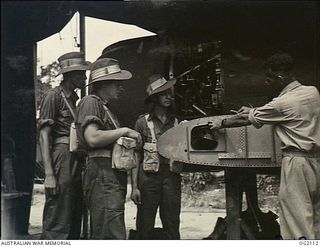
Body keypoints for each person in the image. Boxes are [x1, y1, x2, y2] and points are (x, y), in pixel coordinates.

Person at [211, 53, 320, 239]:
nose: (268, 83)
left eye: (269, 79)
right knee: (315, 216)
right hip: (315, 161)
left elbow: (244, 119)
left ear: (279, 77)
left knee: (296, 217)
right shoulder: (312, 92)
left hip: (297, 164)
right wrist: (255, 111)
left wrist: (220, 123)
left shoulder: (282, 103)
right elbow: (277, 111)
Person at [75, 58, 142, 239]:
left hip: (110, 173)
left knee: (111, 224)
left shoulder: (106, 108)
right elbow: (93, 137)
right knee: (110, 230)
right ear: (103, 83)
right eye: (116, 83)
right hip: (101, 172)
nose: (121, 87)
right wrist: (125, 131)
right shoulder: (91, 102)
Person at [38, 51, 91, 239]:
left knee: (76, 211)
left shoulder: (75, 100)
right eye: (80, 73)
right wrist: (49, 174)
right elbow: (44, 136)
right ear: (70, 75)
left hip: (76, 155)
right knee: (59, 212)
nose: (84, 77)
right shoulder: (53, 96)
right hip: (62, 156)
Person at [131, 74, 181, 239]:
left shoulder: (177, 123)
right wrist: (135, 187)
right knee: (145, 223)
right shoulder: (142, 123)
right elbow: (136, 156)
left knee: (172, 222)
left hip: (171, 178)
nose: (169, 97)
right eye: (163, 93)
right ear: (154, 98)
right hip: (148, 179)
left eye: (169, 93)